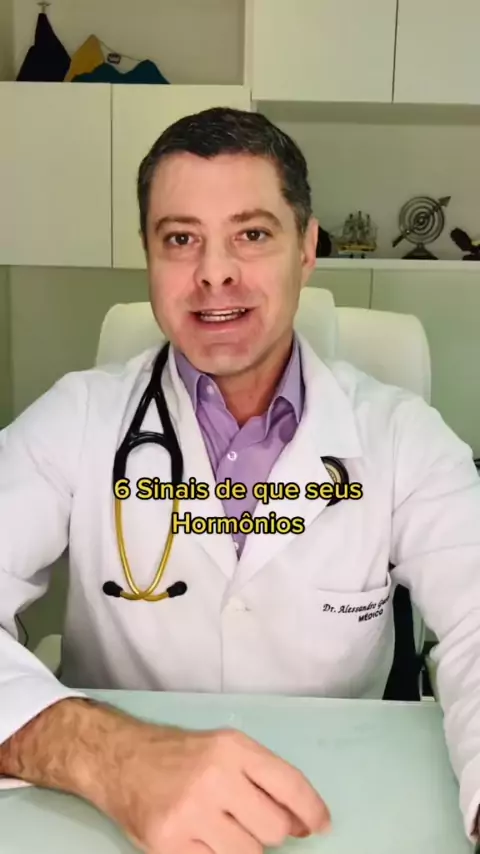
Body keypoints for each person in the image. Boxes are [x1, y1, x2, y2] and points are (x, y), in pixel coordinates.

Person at [0, 106, 479, 853]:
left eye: (252, 235)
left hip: (338, 814)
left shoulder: (400, 437)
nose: (214, 272)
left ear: (307, 249)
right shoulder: (76, 419)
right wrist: (109, 755)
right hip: (107, 821)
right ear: (149, 256)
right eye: (180, 238)